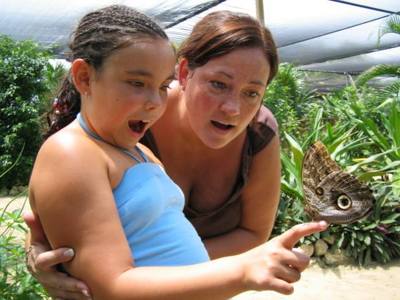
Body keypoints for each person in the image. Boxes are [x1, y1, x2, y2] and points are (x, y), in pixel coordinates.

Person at [26, 6, 328, 299]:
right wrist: (237, 271)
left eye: (252, 93)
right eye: (218, 84)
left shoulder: (137, 150)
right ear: (184, 74)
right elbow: (103, 274)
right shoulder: (99, 141)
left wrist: (204, 275)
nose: (233, 108)